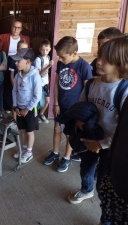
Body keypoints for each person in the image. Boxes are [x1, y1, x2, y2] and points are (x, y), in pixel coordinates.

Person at [68, 36, 128, 225]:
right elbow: (80, 105)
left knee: (105, 183)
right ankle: (86, 190)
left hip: (110, 148)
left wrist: (101, 144)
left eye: (107, 60)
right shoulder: (92, 84)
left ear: (121, 64)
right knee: (85, 170)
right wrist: (79, 122)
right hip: (89, 139)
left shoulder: (123, 91)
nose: (99, 62)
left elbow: (123, 131)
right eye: (99, 55)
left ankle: (106, 217)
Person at [42, 36, 92, 172]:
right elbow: (57, 84)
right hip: (61, 105)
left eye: (63, 57)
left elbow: (87, 92)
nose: (60, 60)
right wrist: (55, 103)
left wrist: (80, 111)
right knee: (57, 128)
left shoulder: (84, 67)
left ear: (74, 53)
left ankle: (67, 158)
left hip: (74, 108)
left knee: (70, 133)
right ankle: (55, 152)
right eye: (59, 57)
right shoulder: (60, 63)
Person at [11, 48, 42, 163]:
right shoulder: (18, 75)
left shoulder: (35, 76)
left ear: (28, 62)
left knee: (29, 131)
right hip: (19, 108)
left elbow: (37, 95)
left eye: (18, 61)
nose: (16, 63)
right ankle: (23, 150)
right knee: (22, 130)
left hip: (30, 109)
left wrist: (27, 109)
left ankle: (29, 152)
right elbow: (14, 91)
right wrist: (15, 106)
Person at [0, 18, 30, 114]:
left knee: (21, 82)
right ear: (11, 27)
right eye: (14, 27)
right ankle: (7, 106)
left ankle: (20, 104)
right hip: (7, 61)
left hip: (20, 61)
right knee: (8, 84)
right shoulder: (3, 37)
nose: (16, 29)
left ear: (21, 29)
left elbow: (27, 52)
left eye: (18, 27)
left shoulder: (25, 39)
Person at [33, 39, 54, 123]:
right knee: (37, 102)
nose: (45, 51)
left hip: (45, 83)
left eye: (47, 49)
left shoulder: (48, 58)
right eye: (43, 49)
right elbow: (39, 74)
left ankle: (41, 114)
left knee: (47, 101)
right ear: (39, 49)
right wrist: (48, 66)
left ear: (50, 49)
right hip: (39, 84)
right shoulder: (38, 59)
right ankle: (35, 116)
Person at [8, 39, 29, 119]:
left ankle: (23, 119)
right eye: (21, 50)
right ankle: (14, 120)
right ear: (17, 50)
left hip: (25, 87)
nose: (23, 52)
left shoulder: (28, 60)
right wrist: (15, 88)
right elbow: (11, 75)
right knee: (15, 103)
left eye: (25, 50)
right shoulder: (13, 60)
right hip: (16, 86)